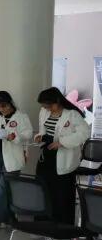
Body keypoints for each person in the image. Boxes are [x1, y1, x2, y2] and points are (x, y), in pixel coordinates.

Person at [33, 86, 90, 224]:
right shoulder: (44, 111)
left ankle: (62, 225)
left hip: (64, 158)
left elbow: (84, 133)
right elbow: (43, 130)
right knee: (44, 189)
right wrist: (39, 136)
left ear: (57, 101)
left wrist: (62, 142)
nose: (47, 109)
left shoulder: (72, 114)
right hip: (46, 156)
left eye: (49, 105)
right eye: (44, 106)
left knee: (62, 193)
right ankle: (43, 223)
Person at [0, 90, 32, 229]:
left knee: (4, 187)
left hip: (12, 156)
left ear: (10, 103)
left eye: (4, 106)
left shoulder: (21, 117)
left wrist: (15, 136)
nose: (1, 109)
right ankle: (8, 219)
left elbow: (28, 133)